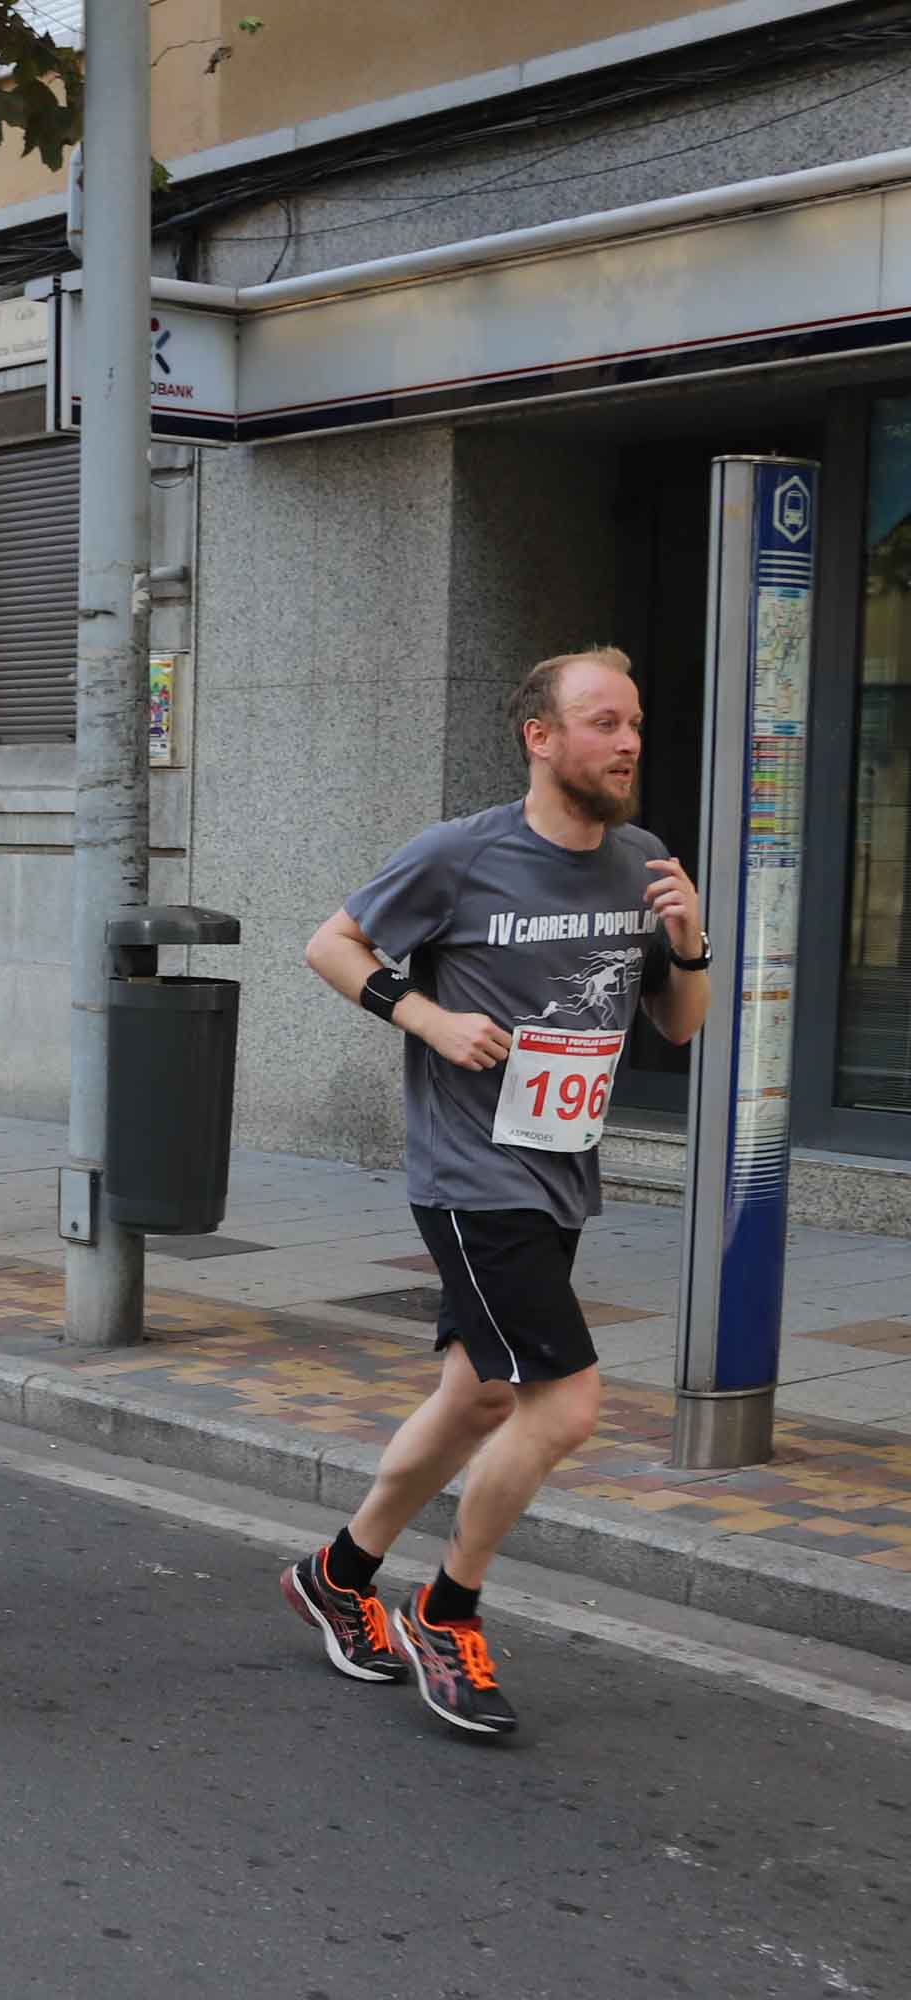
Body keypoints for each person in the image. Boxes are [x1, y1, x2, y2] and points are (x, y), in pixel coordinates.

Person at [288, 647, 709, 1736]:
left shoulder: (644, 862)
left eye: (635, 723)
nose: (627, 743)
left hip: (561, 1168)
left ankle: (338, 1573)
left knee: (476, 1394)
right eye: (603, 722)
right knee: (563, 1403)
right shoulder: (462, 855)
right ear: (541, 735)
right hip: (473, 1175)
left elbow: (680, 1023)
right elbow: (330, 945)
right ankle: (447, 1607)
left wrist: (690, 942)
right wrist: (426, 1018)